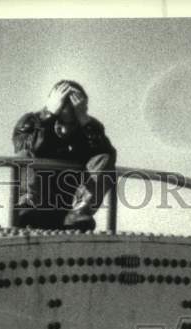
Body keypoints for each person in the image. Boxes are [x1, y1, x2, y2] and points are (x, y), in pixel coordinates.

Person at [12, 80, 116, 232]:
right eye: (60, 123)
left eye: (72, 124)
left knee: (104, 157)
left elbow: (107, 158)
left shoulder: (91, 127)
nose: (66, 131)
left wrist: (85, 123)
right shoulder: (32, 122)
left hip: (71, 211)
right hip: (36, 209)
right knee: (26, 155)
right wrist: (49, 115)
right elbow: (25, 148)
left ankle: (80, 210)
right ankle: (29, 206)